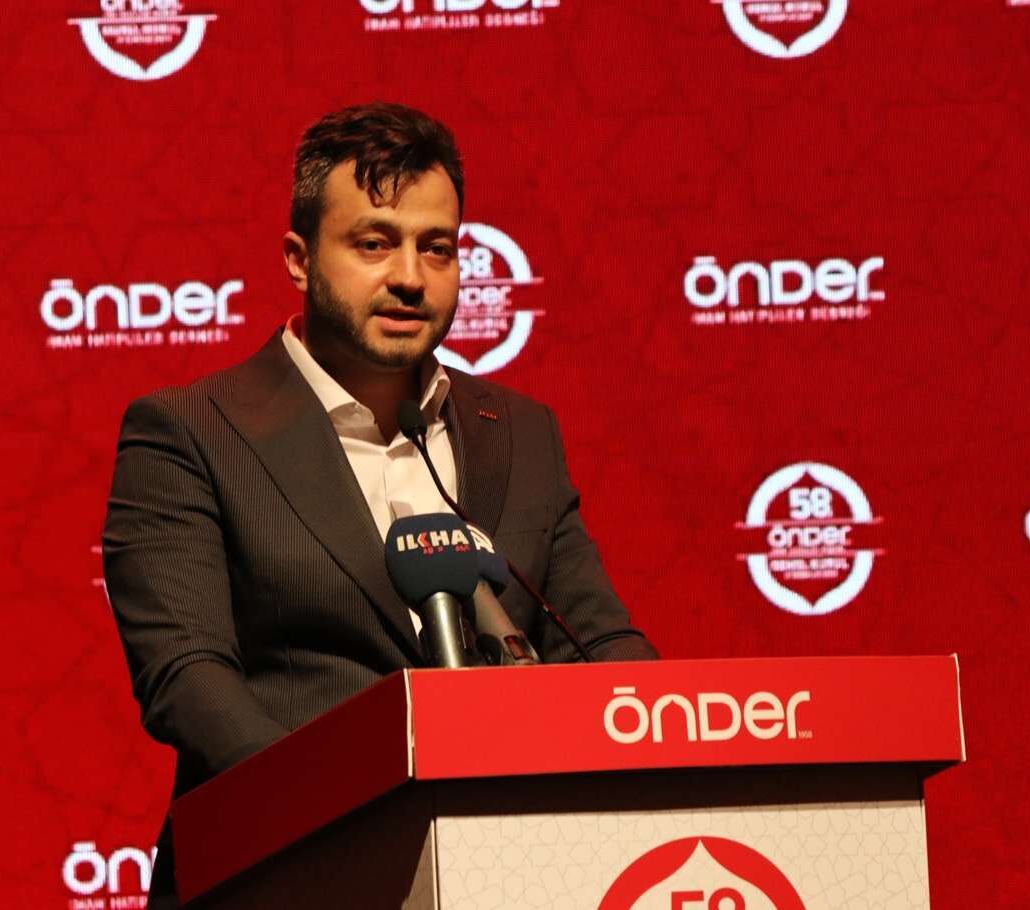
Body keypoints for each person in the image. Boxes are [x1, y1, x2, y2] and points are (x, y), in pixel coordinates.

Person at [102, 102, 657, 906]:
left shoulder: (520, 431)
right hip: (285, 874)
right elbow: (187, 680)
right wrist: (352, 813)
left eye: (437, 248)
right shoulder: (191, 431)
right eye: (373, 243)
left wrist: (670, 739)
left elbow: (596, 642)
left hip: (510, 870)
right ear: (298, 260)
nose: (409, 276)